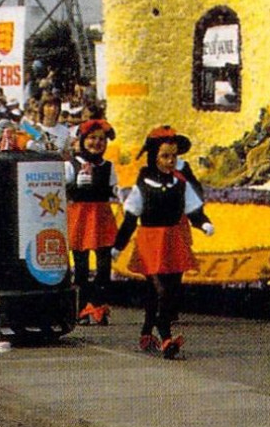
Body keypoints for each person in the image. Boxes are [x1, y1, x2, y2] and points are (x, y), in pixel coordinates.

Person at [113, 127, 214, 358]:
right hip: (150, 242)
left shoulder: (181, 185)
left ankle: (148, 329)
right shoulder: (144, 186)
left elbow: (193, 210)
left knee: (170, 290)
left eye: (173, 156)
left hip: (174, 240)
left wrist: (204, 223)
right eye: (165, 156)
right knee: (161, 290)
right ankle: (165, 334)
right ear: (154, 158)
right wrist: (118, 246)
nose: (170, 161)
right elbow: (130, 218)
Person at [66, 119, 120, 326]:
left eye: (101, 139)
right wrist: (76, 187)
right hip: (80, 214)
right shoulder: (72, 164)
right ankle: (81, 308)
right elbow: (63, 188)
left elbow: (113, 189)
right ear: (82, 140)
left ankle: (99, 305)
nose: (96, 143)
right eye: (92, 138)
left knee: (104, 265)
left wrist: (121, 193)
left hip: (101, 215)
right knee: (80, 266)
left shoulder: (107, 166)